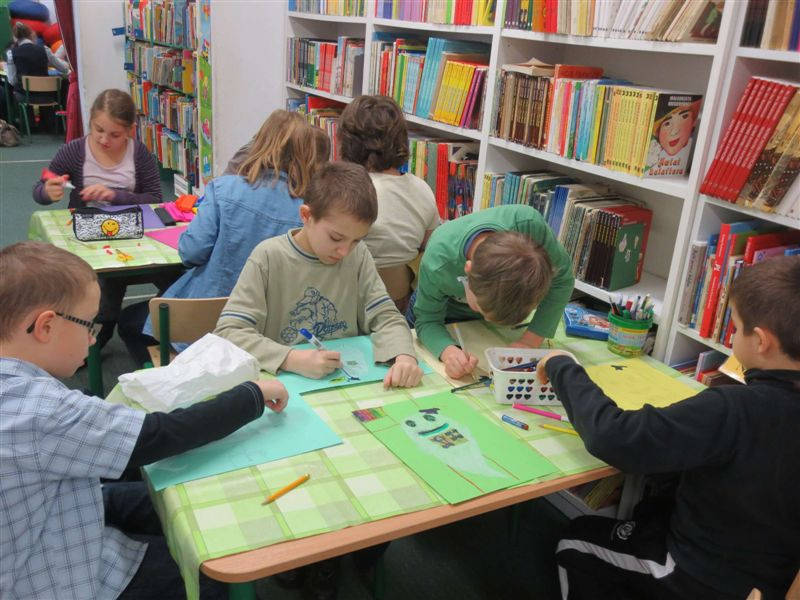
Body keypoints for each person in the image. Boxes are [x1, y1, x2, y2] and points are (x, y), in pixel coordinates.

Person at [0, 241, 289, 600]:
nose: (92, 338)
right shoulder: (41, 411)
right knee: (207, 575)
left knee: (164, 499)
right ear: (45, 326)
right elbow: (157, 436)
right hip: (58, 578)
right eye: (89, 325)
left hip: (46, 516)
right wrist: (253, 395)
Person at [535, 256, 800, 600]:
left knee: (576, 540)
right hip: (770, 578)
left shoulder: (734, 409)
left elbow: (612, 437)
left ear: (761, 342)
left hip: (698, 574)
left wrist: (562, 366)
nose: (733, 336)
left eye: (735, 328)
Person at [118, 110, 330, 366]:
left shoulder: (225, 189)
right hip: (272, 328)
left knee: (130, 320)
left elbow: (191, 253)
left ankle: (168, 372)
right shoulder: (310, 211)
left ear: (258, 143)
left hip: (207, 323)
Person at [215, 160, 424, 387]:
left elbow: (386, 316)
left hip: (346, 380)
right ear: (306, 215)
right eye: (335, 238)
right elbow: (229, 332)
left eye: (356, 240)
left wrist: (404, 356)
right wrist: (290, 358)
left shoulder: (358, 255)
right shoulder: (268, 257)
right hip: (285, 384)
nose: (344, 251)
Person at [32, 88, 172, 351]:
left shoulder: (138, 153)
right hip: (89, 234)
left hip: (133, 233)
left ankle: (162, 323)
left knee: (175, 274)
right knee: (104, 286)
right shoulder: (75, 151)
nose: (104, 139)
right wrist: (47, 192)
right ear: (91, 122)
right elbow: (40, 188)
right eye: (98, 130)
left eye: (115, 135)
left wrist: (114, 195)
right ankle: (99, 333)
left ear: (130, 130)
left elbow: (156, 199)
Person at [408, 204, 574, 379]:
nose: (488, 319)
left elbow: (562, 280)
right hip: (439, 313)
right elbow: (427, 320)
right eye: (481, 309)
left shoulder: (531, 227)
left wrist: (530, 340)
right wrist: (449, 352)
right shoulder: (438, 261)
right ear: (467, 270)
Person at [337, 95, 439, 312]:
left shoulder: (347, 190)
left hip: (350, 302)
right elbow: (429, 247)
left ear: (347, 141)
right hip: (401, 303)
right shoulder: (422, 188)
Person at [5, 22, 69, 131]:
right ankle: (52, 124)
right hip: (47, 95)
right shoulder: (44, 50)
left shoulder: (11, 53)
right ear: (32, 34)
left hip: (25, 95)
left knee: (14, 90)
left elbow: (12, 80)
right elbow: (64, 69)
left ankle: (24, 124)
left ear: (15, 38)